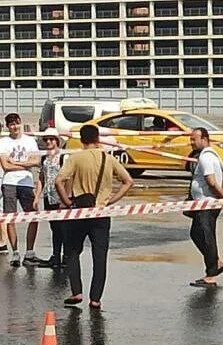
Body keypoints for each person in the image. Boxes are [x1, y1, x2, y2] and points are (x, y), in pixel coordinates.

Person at [54, 124, 133, 309]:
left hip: (79, 212)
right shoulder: (108, 158)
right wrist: (112, 201)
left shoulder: (75, 158)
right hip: (101, 213)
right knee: (100, 256)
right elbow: (128, 181)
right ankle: (95, 298)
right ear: (98, 139)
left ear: (81, 140)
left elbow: (59, 180)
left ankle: (76, 291)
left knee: (72, 252)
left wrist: (66, 202)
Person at [187, 127, 223, 287]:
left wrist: (222, 196)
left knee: (205, 235)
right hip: (206, 202)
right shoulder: (214, 155)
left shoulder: (205, 158)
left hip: (207, 203)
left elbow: (211, 180)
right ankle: (215, 262)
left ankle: (211, 274)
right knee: (198, 233)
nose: (191, 142)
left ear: (204, 139)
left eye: (193, 139)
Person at [0, 112, 42, 266]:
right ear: (8, 126)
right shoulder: (3, 142)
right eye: (11, 124)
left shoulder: (30, 141)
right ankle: (15, 252)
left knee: (33, 216)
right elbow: (5, 165)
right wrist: (26, 162)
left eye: (16, 123)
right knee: (10, 218)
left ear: (20, 123)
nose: (14, 127)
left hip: (26, 182)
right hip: (9, 182)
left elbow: (36, 161)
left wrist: (16, 163)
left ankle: (30, 252)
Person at [36, 129, 66, 270]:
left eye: (51, 139)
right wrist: (37, 196)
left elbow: (68, 177)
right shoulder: (44, 158)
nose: (48, 142)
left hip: (61, 197)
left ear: (57, 141)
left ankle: (66, 256)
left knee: (64, 228)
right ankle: (55, 256)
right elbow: (42, 178)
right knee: (54, 227)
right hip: (49, 197)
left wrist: (65, 198)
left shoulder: (63, 156)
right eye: (46, 139)